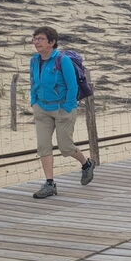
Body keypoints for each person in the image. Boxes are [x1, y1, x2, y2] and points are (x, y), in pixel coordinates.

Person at [28, 26, 96, 199]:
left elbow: (72, 85)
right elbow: (33, 81)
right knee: (43, 145)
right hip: (42, 109)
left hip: (62, 109)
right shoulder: (34, 60)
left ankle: (86, 164)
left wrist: (67, 107)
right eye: (35, 39)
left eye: (41, 39)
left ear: (52, 42)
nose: (36, 42)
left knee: (65, 147)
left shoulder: (62, 60)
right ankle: (49, 183)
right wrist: (34, 102)